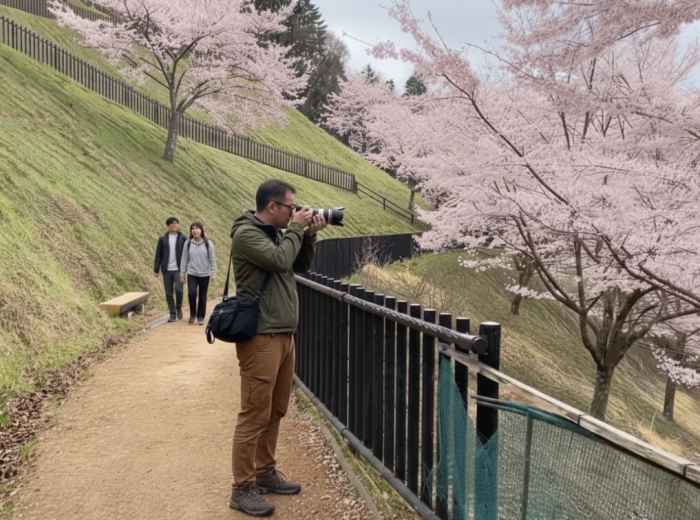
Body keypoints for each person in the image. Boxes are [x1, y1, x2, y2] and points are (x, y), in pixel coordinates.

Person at [229, 180, 326, 517]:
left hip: (283, 334)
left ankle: (265, 472)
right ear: (272, 207)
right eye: (290, 207)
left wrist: (308, 235)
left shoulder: (277, 234)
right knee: (254, 412)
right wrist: (297, 230)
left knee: (276, 409)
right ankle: (242, 488)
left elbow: (298, 265)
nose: (294, 211)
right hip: (261, 335)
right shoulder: (247, 234)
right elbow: (280, 260)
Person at [180, 222, 217, 325]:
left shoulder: (208, 243)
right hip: (192, 273)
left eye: (197, 228)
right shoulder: (187, 243)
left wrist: (213, 272)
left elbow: (212, 259)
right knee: (191, 293)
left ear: (201, 230)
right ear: (191, 231)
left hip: (205, 274)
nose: (195, 230)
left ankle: (201, 316)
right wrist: (182, 273)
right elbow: (184, 259)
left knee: (202, 296)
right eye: (193, 229)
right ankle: (192, 315)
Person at [153, 217, 187, 322]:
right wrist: (156, 269)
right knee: (168, 293)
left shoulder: (183, 238)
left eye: (176, 224)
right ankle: (172, 314)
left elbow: (187, 254)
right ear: (168, 226)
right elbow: (158, 254)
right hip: (167, 270)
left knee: (179, 290)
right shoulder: (162, 239)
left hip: (179, 269)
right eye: (172, 225)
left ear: (178, 225)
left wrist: (186, 269)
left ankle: (178, 308)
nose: (174, 226)